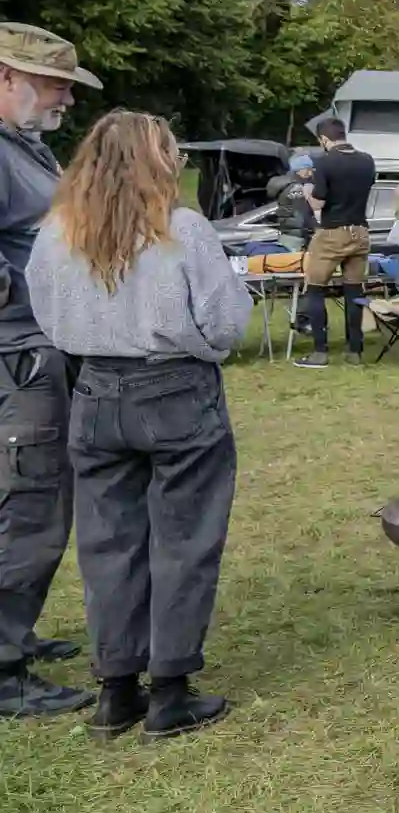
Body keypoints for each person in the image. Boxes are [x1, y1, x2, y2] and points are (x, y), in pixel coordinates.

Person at [28, 110, 252, 739]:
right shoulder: (182, 229)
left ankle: (116, 689)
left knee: (107, 544)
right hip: (175, 388)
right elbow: (225, 322)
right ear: (157, 160)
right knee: (184, 539)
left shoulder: (58, 231)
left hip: (96, 388)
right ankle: (170, 691)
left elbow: (44, 311)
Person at [0, 23, 101, 719]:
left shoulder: (24, 146)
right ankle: (3, 669)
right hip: (17, 356)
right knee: (29, 503)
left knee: (28, 496)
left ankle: (16, 632)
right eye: (52, 83)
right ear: (6, 78)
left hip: (37, 347)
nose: (66, 96)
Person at [291, 119, 376, 370]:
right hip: (360, 231)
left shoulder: (324, 162)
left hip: (331, 233)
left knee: (315, 289)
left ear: (324, 140)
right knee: (354, 292)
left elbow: (318, 203)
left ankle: (320, 352)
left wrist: (307, 191)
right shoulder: (367, 160)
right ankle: (354, 352)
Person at [264, 154, 318, 252]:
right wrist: (310, 230)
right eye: (308, 169)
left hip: (287, 232)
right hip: (297, 235)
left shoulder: (285, 185)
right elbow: (301, 213)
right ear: (299, 170)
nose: (310, 173)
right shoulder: (297, 188)